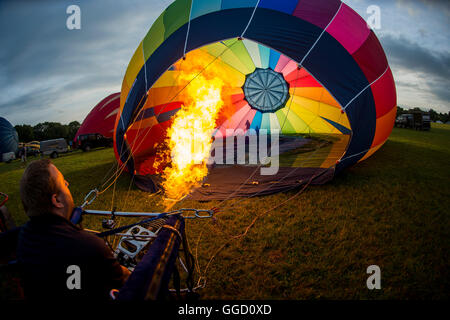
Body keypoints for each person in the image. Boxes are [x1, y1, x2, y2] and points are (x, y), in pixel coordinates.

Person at [16, 159, 130, 300]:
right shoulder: (89, 246)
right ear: (57, 200)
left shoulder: (23, 238)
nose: (67, 184)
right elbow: (125, 282)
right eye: (63, 182)